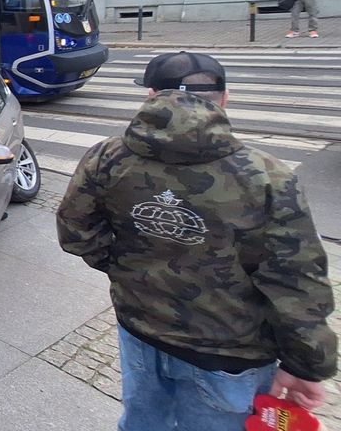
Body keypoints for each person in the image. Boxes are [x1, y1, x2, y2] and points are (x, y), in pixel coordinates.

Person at [57, 51, 336, 431]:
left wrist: (126, 267)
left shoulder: (107, 157)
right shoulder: (265, 174)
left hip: (141, 330)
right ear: (224, 97)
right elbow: (295, 276)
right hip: (229, 352)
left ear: (151, 94)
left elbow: (75, 231)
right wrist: (306, 364)